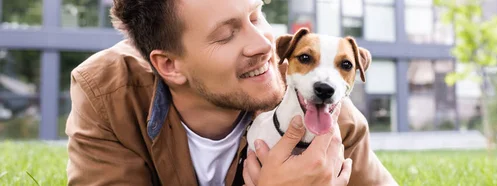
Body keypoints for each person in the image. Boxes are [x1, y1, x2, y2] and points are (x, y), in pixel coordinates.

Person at [65, 0, 397, 185]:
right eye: (226, 35)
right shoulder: (106, 94)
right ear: (169, 65)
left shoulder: (320, 107)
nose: (264, 45)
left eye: (257, 14)